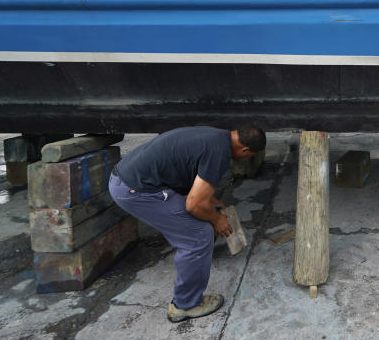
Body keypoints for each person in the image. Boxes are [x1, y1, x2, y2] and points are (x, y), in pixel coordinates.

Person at [108, 125, 266, 322]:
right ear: (245, 150)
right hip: (135, 190)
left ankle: (191, 283)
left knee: (205, 211)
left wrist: (208, 201)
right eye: (249, 157)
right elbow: (193, 205)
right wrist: (217, 220)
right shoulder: (220, 154)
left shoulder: (216, 136)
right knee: (198, 235)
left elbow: (190, 171)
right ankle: (185, 305)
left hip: (128, 178)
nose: (247, 160)